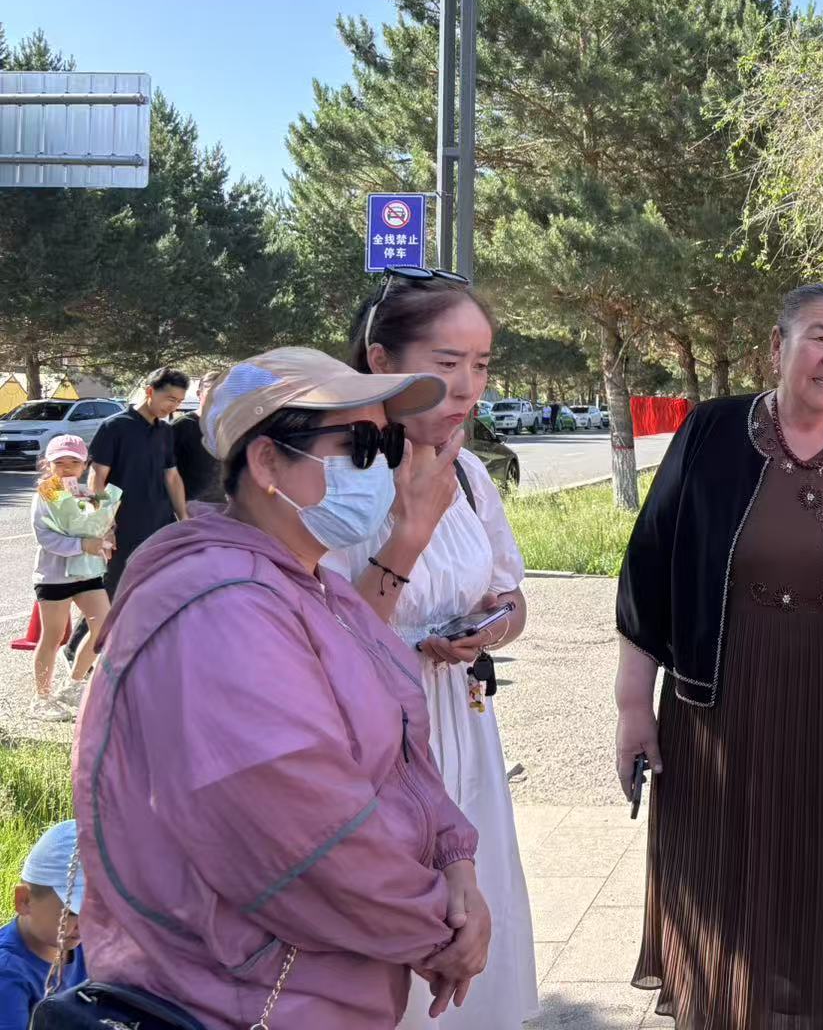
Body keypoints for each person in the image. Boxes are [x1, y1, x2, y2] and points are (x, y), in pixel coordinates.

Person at [71, 347, 492, 1028]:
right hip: (238, 997)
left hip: (326, 987)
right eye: (358, 446)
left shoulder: (315, 587)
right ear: (266, 463)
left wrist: (455, 863)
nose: (382, 469)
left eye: (388, 445)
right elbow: (300, 830)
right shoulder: (221, 606)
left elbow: (401, 758)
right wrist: (436, 929)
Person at [615, 282, 823, 1030]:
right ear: (778, 346)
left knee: (820, 888)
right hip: (720, 701)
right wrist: (633, 706)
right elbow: (649, 566)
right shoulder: (712, 431)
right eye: (820, 336)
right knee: (726, 884)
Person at [326, 266, 538, 1029]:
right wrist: (408, 534)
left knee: (475, 925)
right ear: (380, 361)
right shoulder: (330, 479)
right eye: (447, 363)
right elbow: (322, 642)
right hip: (372, 746)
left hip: (465, 728)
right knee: (391, 953)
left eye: (480, 365)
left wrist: (491, 628)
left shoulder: (471, 474)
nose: (468, 387)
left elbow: (510, 595)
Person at [66, 367, 189, 665]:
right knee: (111, 590)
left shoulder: (165, 431)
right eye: (169, 398)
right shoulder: (115, 426)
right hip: (122, 526)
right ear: (150, 392)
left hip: (159, 523)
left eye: (178, 401)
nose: (173, 406)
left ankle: (128, 652)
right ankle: (76, 651)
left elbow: (172, 476)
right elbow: (97, 478)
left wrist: (184, 518)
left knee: (148, 588)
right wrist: (103, 523)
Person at [27, 435, 115, 721]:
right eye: (59, 462)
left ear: (85, 465)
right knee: (52, 636)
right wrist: (82, 545)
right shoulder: (45, 493)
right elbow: (45, 537)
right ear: (47, 464)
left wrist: (107, 532)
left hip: (88, 573)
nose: (66, 467)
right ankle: (42, 699)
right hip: (53, 577)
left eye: (74, 462)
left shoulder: (86, 494)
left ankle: (73, 685)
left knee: (104, 628)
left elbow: (101, 524)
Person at [0, 820, 87, 1029]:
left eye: (95, 912)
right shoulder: (8, 973)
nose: (84, 924)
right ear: (24, 900)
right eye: (72, 913)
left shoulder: (88, 948)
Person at [172, 383, 225, 504]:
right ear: (199, 394)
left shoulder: (228, 427)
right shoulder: (181, 426)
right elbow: (164, 471)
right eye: (210, 392)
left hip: (222, 506)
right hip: (189, 506)